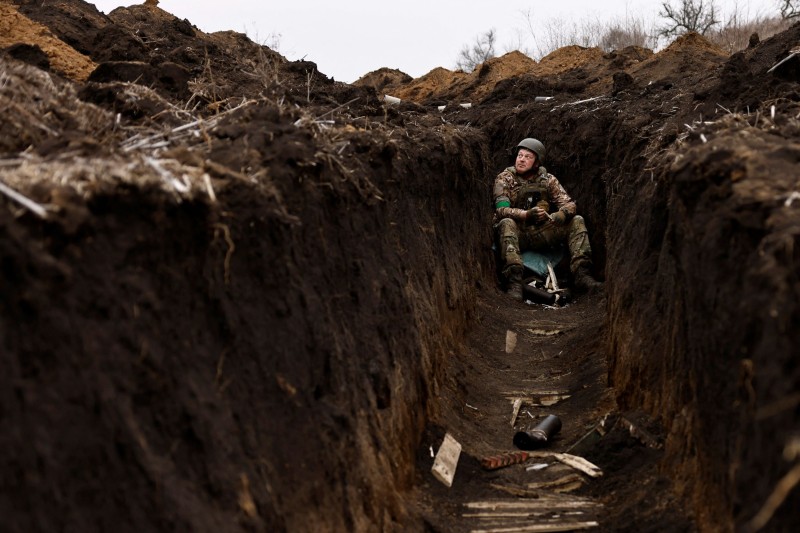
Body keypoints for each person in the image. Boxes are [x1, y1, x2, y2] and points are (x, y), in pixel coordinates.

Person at [493, 137, 602, 301]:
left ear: (536, 162)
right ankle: (514, 282)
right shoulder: (504, 178)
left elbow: (569, 204)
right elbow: (501, 210)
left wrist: (561, 214)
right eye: (520, 155)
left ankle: (582, 274)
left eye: (527, 157)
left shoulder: (548, 179)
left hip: (541, 231)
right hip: (518, 233)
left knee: (577, 220)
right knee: (506, 223)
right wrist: (526, 215)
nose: (521, 160)